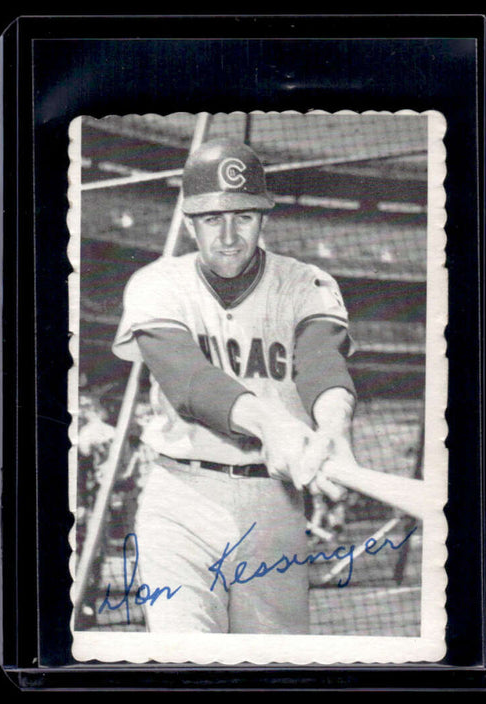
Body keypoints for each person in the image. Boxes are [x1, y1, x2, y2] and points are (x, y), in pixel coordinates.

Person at [112, 138, 359, 634]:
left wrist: (334, 425)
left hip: (275, 502)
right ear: (188, 223)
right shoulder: (156, 283)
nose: (228, 235)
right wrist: (272, 425)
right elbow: (187, 381)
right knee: (183, 661)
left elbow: (321, 366)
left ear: (264, 219)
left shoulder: (306, 282)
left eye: (243, 217)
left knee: (273, 671)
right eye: (211, 219)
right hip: (181, 496)